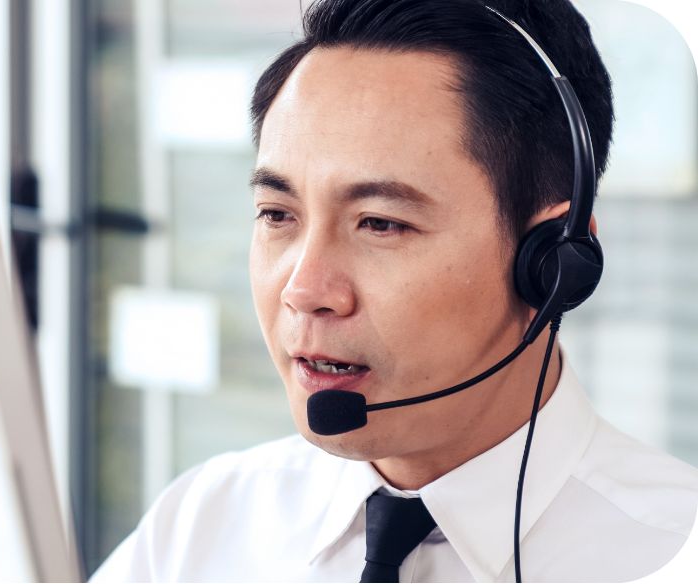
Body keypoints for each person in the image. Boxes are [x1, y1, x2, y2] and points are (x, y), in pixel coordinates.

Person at [91, 0, 698, 581]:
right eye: (277, 215)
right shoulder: (201, 526)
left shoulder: (669, 548)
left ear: (555, 262)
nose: (304, 291)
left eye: (381, 224)